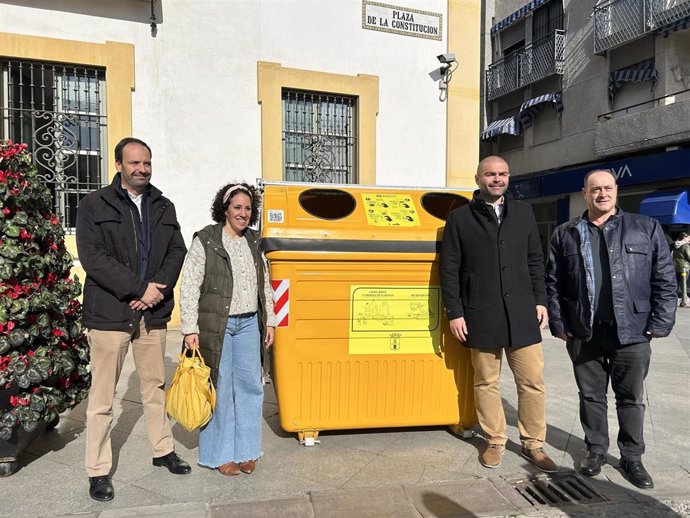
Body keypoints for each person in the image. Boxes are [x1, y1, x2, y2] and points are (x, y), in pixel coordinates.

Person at [546, 169, 676, 490]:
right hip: (584, 331)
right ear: (584, 193)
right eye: (595, 189)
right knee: (591, 396)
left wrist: (661, 321)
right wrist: (560, 323)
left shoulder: (645, 227)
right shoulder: (566, 234)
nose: (602, 194)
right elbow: (552, 283)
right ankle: (596, 450)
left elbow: (664, 276)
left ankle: (632, 457)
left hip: (631, 330)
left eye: (607, 188)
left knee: (630, 398)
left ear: (616, 190)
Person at [76, 137, 190, 502]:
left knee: (155, 387)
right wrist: (138, 289)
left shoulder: (162, 205)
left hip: (152, 315)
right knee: (103, 396)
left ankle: (162, 450)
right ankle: (97, 470)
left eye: (147, 163)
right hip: (111, 313)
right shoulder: (94, 204)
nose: (142, 169)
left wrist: (157, 289)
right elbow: (93, 257)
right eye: (135, 163)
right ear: (119, 165)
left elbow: (177, 250)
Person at [440, 156, 557, 473]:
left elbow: (535, 260)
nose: (497, 179)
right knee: (485, 382)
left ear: (509, 177)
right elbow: (449, 270)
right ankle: (494, 440)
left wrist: (541, 300)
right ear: (477, 178)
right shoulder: (460, 219)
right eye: (490, 174)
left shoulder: (524, 213)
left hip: (521, 312)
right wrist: (455, 312)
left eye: (503, 173)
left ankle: (534, 444)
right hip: (481, 312)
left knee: (532, 382)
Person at [179, 182, 276, 476]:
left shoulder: (254, 242)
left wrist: (269, 319)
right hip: (217, 325)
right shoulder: (206, 240)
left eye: (248, 208)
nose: (243, 213)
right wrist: (189, 327)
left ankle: (247, 452)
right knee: (219, 390)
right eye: (237, 207)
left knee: (250, 388)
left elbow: (266, 285)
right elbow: (190, 285)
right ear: (224, 208)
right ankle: (220, 455)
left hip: (249, 324)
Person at [672, 232, 690, 307]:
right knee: (684, 285)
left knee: (676, 284)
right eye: (688, 238)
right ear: (684, 237)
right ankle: (684, 300)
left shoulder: (675, 245)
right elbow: (689, 256)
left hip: (676, 267)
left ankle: (674, 299)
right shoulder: (685, 246)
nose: (689, 239)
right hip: (684, 268)